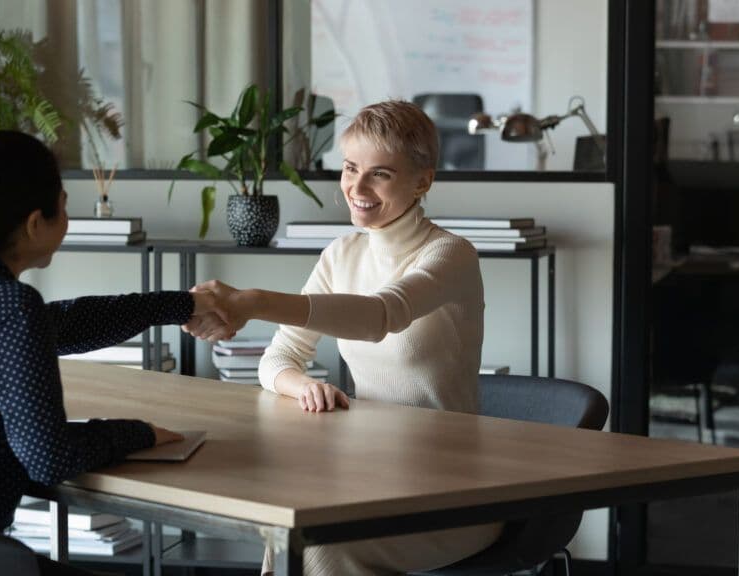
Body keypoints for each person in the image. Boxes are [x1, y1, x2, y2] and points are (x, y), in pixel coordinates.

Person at [0, 130, 225, 575]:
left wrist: (180, 304)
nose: (67, 218)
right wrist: (139, 432)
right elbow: (50, 459)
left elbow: (69, 322)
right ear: (36, 223)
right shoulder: (11, 307)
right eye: (65, 205)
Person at [184, 101, 503, 575]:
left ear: (422, 181)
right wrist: (303, 386)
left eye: (380, 174)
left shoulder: (451, 254)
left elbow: (381, 315)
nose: (356, 188)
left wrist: (253, 301)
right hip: (367, 473)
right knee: (290, 531)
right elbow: (277, 360)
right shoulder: (341, 254)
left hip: (451, 488)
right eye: (351, 168)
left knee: (319, 549)